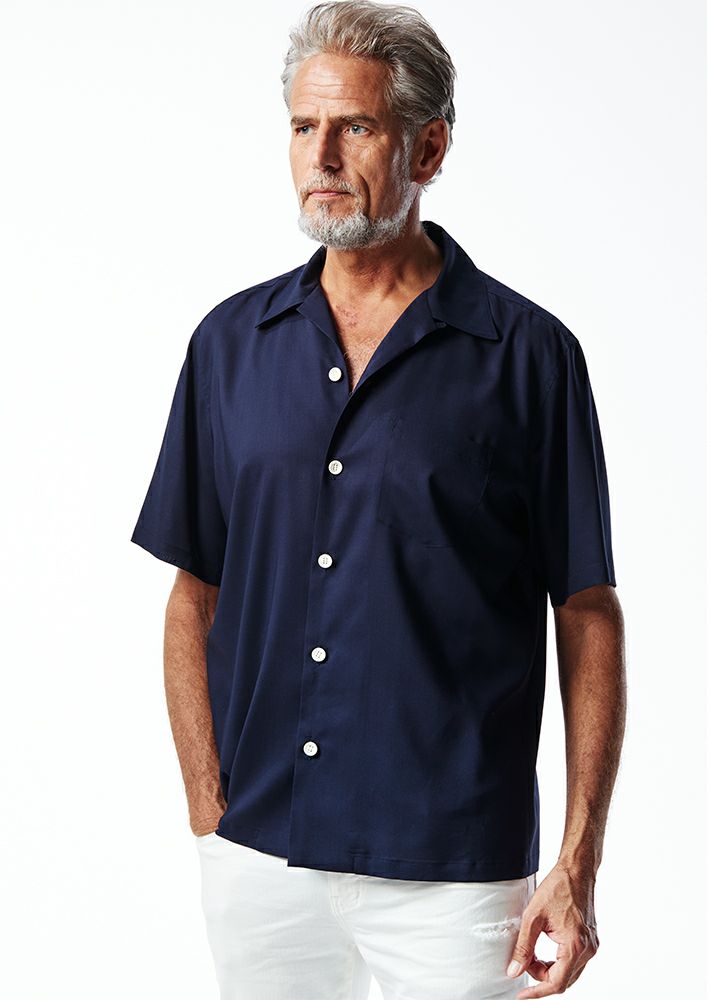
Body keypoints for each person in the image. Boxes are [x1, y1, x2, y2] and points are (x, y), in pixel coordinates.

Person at [130, 2, 626, 998]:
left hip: (454, 869)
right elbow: (194, 592)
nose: (320, 155)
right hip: (261, 856)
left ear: (427, 147)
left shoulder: (527, 358)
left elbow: (585, 612)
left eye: (354, 126)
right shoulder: (228, 346)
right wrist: (208, 809)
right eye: (302, 126)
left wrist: (576, 860)